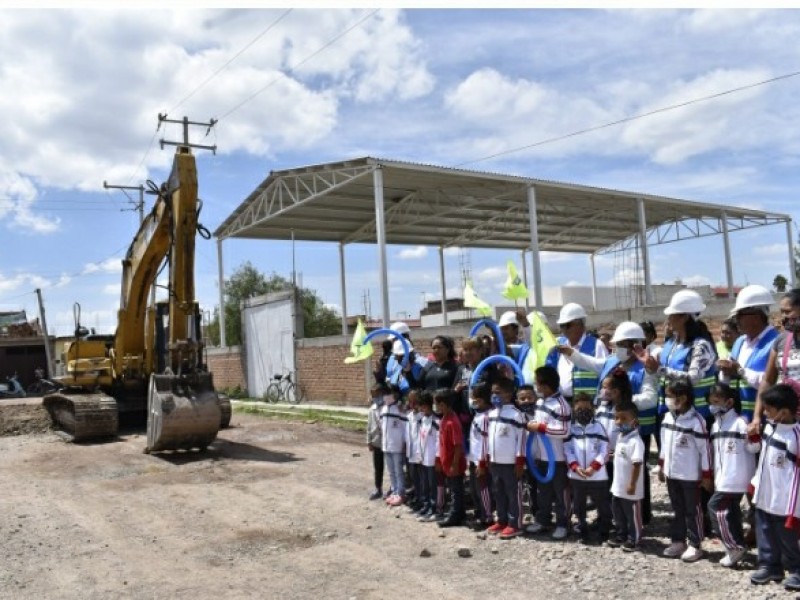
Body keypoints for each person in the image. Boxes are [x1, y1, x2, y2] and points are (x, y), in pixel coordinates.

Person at [568, 321, 658, 523]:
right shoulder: (611, 362)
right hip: (609, 428)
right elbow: (589, 362)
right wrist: (570, 353)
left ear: (635, 345)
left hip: (634, 430)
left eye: (622, 344)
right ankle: (613, 515)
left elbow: (650, 398)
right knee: (611, 474)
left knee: (634, 474)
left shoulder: (646, 368)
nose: (617, 348)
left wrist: (622, 402)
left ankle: (640, 516)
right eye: (617, 344)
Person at [749, 384, 800, 590]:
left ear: (784, 412)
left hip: (785, 499)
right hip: (765, 494)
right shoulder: (770, 427)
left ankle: (796, 569)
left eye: (768, 410)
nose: (765, 414)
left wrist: (794, 506)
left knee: (787, 537)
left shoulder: (796, 436)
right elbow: (758, 452)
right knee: (764, 529)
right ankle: (770, 565)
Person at [657, 380, 713, 562]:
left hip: (690, 475)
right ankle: (678, 540)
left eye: (670, 396)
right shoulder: (667, 418)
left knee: (693, 510)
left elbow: (705, 450)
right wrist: (661, 466)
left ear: (683, 398)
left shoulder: (697, 421)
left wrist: (706, 475)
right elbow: (664, 445)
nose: (667, 399)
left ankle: (695, 544)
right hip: (672, 473)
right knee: (677, 509)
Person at [707, 382, 759, 568]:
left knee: (716, 508)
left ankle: (734, 546)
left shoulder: (740, 423)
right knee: (731, 513)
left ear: (729, 402)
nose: (713, 406)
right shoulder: (715, 426)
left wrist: (753, 435)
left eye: (717, 401)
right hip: (723, 479)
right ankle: (739, 544)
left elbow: (754, 448)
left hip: (737, 478)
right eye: (710, 402)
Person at [648, 289, 717, 419]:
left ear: (685, 317)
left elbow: (692, 378)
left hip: (695, 416)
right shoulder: (671, 344)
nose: (669, 319)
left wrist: (659, 369)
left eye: (672, 315)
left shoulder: (700, 346)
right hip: (669, 412)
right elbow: (663, 374)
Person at [718, 284, 778, 422]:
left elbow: (770, 381)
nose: (736, 321)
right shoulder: (740, 342)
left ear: (756, 316)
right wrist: (725, 370)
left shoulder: (775, 342)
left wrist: (740, 370)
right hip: (739, 418)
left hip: (764, 419)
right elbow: (728, 378)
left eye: (739, 315)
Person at [525, 365, 572, 539]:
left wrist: (541, 428)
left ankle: (563, 523)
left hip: (557, 458)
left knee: (560, 493)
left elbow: (564, 431)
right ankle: (543, 520)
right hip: (541, 456)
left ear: (545, 386)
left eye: (537, 383)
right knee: (542, 491)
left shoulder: (562, 405)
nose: (535, 386)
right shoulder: (540, 402)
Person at [564, 392, 612, 545]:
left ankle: (604, 528)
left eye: (587, 408)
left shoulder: (599, 427)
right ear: (573, 409)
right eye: (579, 409)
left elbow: (605, 450)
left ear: (593, 408)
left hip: (598, 476)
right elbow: (567, 450)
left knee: (602, 503)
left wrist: (593, 467)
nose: (583, 411)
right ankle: (581, 527)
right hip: (577, 476)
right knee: (578, 504)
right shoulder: (570, 429)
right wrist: (575, 467)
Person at [752, 288, 800, 434]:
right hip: (784, 421)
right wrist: (757, 417)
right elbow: (767, 380)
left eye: (788, 311)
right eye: (782, 312)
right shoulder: (781, 340)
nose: (783, 317)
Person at [486, 378, 527, 539]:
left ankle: (515, 523)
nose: (494, 396)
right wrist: (489, 457)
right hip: (495, 461)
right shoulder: (492, 414)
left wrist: (519, 461)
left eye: (497, 392)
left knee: (513, 493)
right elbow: (489, 437)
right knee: (498, 492)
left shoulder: (517, 415)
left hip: (511, 463)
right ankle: (501, 520)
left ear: (508, 394)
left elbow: (521, 439)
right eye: (492, 393)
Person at [546, 302, 608, 402]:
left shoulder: (596, 345)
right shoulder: (558, 346)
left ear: (581, 324)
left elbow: (605, 374)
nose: (564, 329)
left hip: (588, 405)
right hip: (563, 403)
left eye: (567, 325)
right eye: (562, 326)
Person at [608, 402, 645, 552]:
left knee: (632, 514)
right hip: (617, 486)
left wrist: (632, 484)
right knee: (618, 513)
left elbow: (637, 464)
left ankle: (634, 538)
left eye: (623, 418)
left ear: (634, 421)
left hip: (631, 488)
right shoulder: (620, 438)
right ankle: (621, 534)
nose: (619, 422)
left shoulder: (636, 442)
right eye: (617, 418)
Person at [435, 389, 467, 527]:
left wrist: (454, 464)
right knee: (453, 488)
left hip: (455, 463)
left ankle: (455, 515)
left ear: (445, 404)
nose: (436, 407)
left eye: (438, 404)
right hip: (447, 462)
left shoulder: (452, 422)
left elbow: (458, 445)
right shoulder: (444, 419)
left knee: (456, 490)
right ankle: (460, 513)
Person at [467, 382, 494, 530]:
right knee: (475, 488)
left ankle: (487, 517)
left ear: (482, 400)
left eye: (474, 399)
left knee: (483, 488)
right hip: (474, 457)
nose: (472, 401)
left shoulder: (486, 417)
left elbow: (484, 441)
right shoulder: (479, 414)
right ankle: (480, 514)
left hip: (481, 459)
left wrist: (481, 462)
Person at [416, 391, 443, 522]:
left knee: (434, 485)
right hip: (423, 458)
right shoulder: (422, 420)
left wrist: (438, 458)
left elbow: (439, 442)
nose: (421, 409)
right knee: (425, 484)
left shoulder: (436, 422)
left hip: (432, 459)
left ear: (429, 406)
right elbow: (420, 439)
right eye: (420, 407)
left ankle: (435, 509)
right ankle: (426, 506)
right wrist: (419, 454)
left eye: (423, 407)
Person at [380, 385, 409, 507]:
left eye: (389, 393)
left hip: (397, 445)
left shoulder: (399, 410)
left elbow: (405, 427)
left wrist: (404, 442)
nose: (386, 396)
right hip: (386, 445)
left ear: (395, 395)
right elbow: (382, 426)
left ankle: (401, 493)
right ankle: (394, 490)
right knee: (391, 471)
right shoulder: (383, 409)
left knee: (398, 471)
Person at [405, 390, 424, 511]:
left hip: (421, 454)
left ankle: (423, 501)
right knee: (414, 477)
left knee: (422, 479)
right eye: (410, 401)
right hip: (411, 453)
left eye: (415, 401)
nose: (412, 404)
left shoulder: (423, 417)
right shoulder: (409, 416)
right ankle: (417, 498)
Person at [366, 383, 386, 500]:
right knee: (378, 467)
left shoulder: (387, 408)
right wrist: (369, 441)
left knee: (392, 467)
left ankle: (393, 489)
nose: (375, 397)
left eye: (377, 395)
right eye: (373, 395)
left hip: (387, 442)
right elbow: (369, 426)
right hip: (376, 442)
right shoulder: (372, 409)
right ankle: (378, 488)